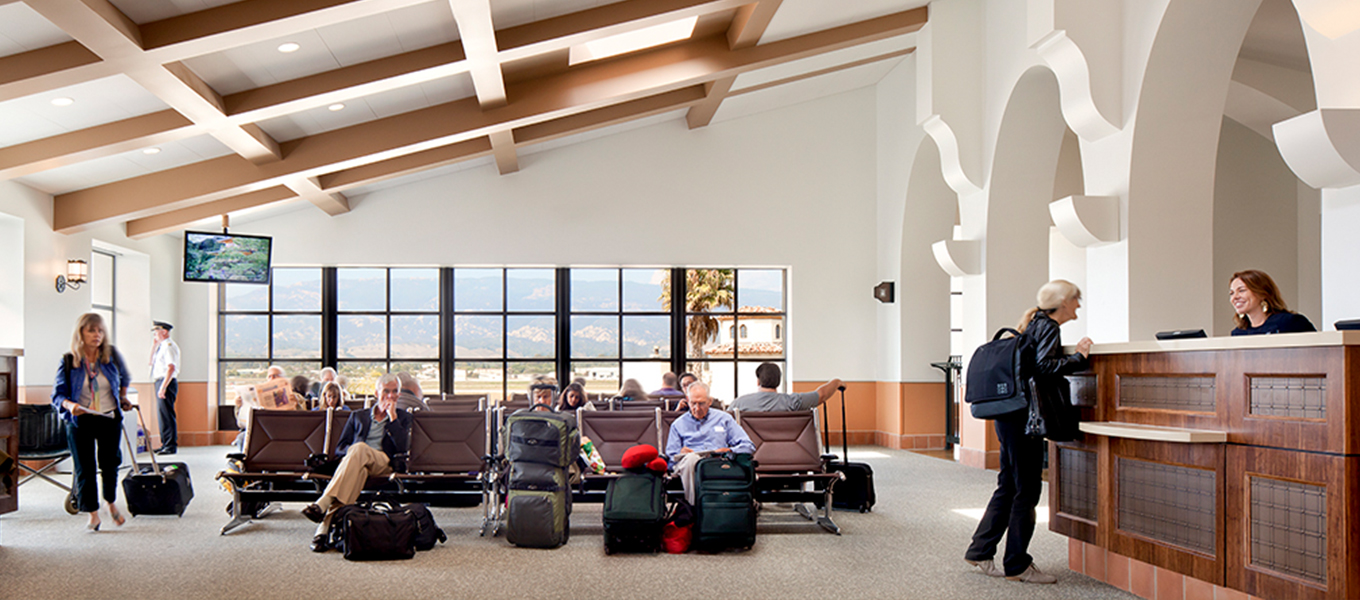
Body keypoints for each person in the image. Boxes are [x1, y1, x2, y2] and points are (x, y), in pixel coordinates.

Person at [965, 280, 1093, 585]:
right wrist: (1079, 358)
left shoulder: (1032, 325)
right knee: (1027, 490)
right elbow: (1044, 366)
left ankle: (980, 550)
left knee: (1009, 484)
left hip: (1008, 416)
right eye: (1076, 299)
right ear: (1063, 302)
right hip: (1026, 420)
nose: (1078, 305)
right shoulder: (1048, 326)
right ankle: (1017, 565)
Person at [302, 373, 413, 552]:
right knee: (357, 467)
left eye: (394, 392)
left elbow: (403, 447)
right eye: (386, 391)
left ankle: (323, 502)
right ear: (377, 393)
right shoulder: (358, 416)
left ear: (399, 394)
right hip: (357, 464)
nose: (390, 396)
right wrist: (354, 454)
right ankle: (322, 529)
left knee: (360, 447)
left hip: (383, 462)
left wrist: (392, 419)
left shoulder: (403, 417)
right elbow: (341, 447)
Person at [51, 313, 133, 532]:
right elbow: (57, 395)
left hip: (109, 416)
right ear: (81, 333)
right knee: (84, 467)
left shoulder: (112, 355)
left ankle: (110, 501)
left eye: (100, 330)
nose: (97, 335)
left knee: (110, 463)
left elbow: (124, 376)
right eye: (92, 330)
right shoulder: (69, 361)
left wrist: (123, 397)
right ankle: (93, 514)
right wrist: (70, 406)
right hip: (81, 419)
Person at [664, 382, 755, 504]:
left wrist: (730, 450)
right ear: (687, 400)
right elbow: (670, 457)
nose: (697, 408)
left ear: (709, 401)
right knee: (691, 460)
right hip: (688, 463)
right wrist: (680, 453)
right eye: (693, 403)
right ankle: (695, 508)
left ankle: (705, 510)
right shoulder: (678, 424)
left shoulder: (724, 419)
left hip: (716, 460)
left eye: (701, 403)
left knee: (702, 463)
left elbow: (748, 446)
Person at [1228, 269, 1315, 336]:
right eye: (1231, 293)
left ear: (1262, 293)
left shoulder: (1290, 322)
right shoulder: (1238, 333)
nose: (1235, 297)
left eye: (1242, 290)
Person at [730, 363, 842, 412]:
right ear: (778, 381)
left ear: (758, 381)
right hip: (787, 452)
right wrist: (836, 382)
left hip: (751, 455)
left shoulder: (739, 404)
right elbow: (821, 395)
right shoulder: (792, 402)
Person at [149, 320, 180, 455]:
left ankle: (170, 445)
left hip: (166, 382)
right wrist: (154, 346)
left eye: (156, 332)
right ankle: (165, 443)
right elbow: (150, 362)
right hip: (160, 381)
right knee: (162, 415)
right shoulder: (161, 346)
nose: (155, 334)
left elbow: (171, 368)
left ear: (164, 332)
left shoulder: (168, 346)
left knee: (166, 415)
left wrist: (163, 387)